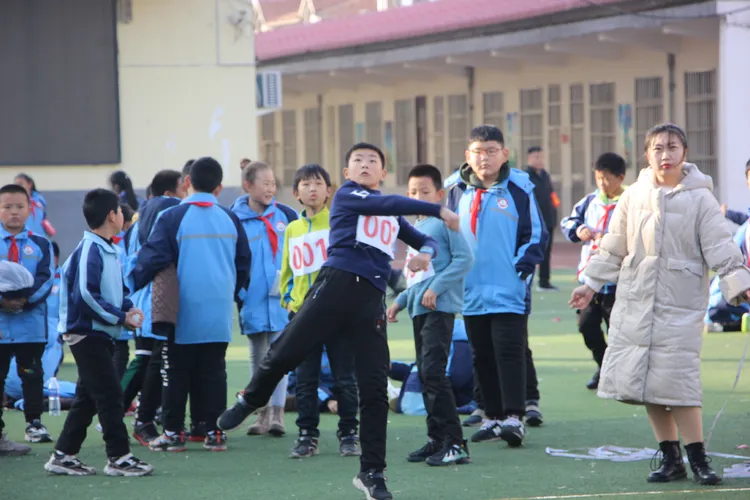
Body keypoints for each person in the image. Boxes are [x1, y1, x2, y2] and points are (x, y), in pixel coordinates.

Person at [218, 142, 460, 500]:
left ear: (383, 172)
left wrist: (424, 254)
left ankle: (372, 474)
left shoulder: (389, 216)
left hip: (369, 304)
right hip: (334, 287)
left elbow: (424, 239)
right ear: (347, 174)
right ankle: (250, 399)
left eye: (372, 161)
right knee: (286, 352)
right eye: (357, 161)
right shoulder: (348, 196)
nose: (365, 165)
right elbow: (390, 203)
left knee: (375, 390)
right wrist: (437, 209)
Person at [569, 123, 750, 486]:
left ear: (685, 153)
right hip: (635, 299)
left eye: (672, 147)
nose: (664, 155)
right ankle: (670, 458)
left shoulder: (701, 198)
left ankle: (698, 458)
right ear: (646, 154)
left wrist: (741, 286)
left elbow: (721, 247)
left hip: (681, 302)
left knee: (679, 382)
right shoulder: (632, 196)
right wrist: (588, 284)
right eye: (657, 148)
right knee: (647, 383)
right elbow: (613, 246)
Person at [133, 157, 251, 452]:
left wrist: (131, 284)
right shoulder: (230, 217)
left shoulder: (173, 217)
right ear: (220, 187)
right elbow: (243, 264)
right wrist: (231, 293)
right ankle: (212, 431)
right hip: (219, 310)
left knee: (175, 371)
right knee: (213, 370)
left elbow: (152, 257)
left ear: (187, 183)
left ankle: (173, 433)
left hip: (181, 310)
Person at [446, 125, 548, 448]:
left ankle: (514, 418)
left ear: (504, 154)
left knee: (509, 352)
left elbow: (535, 234)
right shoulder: (454, 189)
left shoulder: (520, 186)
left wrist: (522, 271)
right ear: (468, 155)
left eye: (491, 151)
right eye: (478, 151)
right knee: (482, 354)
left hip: (509, 289)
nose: (484, 157)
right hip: (471, 290)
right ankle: (490, 417)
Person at [45, 188, 152, 477]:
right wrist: (121, 317)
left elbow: (116, 290)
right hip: (85, 334)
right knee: (109, 393)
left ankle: (63, 454)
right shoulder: (91, 248)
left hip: (101, 333)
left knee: (89, 397)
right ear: (111, 215)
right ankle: (119, 457)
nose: (122, 215)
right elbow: (85, 296)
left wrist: (128, 308)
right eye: (120, 210)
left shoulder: (108, 248)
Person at [386, 164, 473, 467]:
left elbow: (464, 259)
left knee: (434, 374)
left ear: (439, 194)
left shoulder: (445, 224)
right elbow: (416, 279)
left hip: (441, 309)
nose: (418, 197)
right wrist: (400, 301)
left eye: (424, 192)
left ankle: (456, 443)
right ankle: (436, 439)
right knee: (425, 374)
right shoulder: (416, 230)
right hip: (420, 310)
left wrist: (436, 289)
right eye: (412, 193)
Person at [280, 163, 361, 459]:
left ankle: (349, 433)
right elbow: (287, 272)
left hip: (337, 314)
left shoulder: (338, 222)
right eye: (305, 184)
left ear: (330, 191)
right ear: (295, 193)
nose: (312, 189)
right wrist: (289, 301)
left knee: (344, 377)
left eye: (318, 184)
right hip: (303, 315)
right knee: (306, 379)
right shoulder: (292, 229)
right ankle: (306, 434)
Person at [118, 169, 186, 445]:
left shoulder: (139, 219)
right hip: (154, 300)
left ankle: (122, 412)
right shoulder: (165, 213)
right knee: (151, 360)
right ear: (169, 193)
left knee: (147, 359)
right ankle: (130, 414)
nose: (185, 196)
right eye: (182, 189)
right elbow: (154, 259)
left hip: (142, 299)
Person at [232, 161, 297, 437]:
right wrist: (241, 291)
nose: (271, 188)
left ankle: (277, 413)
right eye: (265, 183)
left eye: (273, 183)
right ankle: (260, 410)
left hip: (281, 297)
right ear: (248, 186)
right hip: (252, 297)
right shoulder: (233, 218)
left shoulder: (286, 215)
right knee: (257, 352)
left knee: (279, 354)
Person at [560, 152, 627, 390]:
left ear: (620, 177)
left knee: (618, 330)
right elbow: (567, 222)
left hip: (617, 281)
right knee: (586, 326)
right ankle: (603, 366)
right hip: (588, 280)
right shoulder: (589, 202)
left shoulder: (629, 202)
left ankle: (617, 375)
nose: (602, 183)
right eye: (598, 178)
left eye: (607, 178)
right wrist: (579, 230)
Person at [0, 184, 55, 445]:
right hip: (1, 323)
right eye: (7, 207)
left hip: (30, 325)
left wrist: (25, 301)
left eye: (19, 207)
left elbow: (46, 280)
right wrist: (2, 302)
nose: (14, 213)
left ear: (29, 209)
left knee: (31, 374)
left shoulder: (41, 243)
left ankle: (34, 423)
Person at [524, 146, 560, 291]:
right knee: (530, 251)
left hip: (548, 220)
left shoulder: (545, 175)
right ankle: (526, 280)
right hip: (533, 222)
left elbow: (552, 196)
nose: (539, 160)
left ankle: (544, 282)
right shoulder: (525, 176)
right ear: (529, 159)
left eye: (541, 157)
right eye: (536, 157)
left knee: (546, 252)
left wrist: (554, 215)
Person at [14, 174, 55, 238]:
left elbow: (43, 218)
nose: (18, 187)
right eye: (16, 185)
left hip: (40, 237)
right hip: (23, 238)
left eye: (20, 184)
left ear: (29, 184)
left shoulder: (39, 200)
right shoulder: (14, 202)